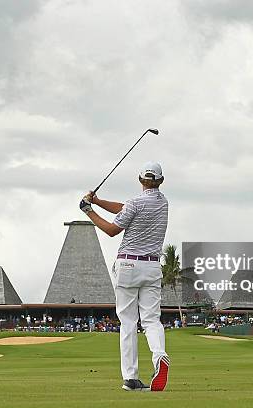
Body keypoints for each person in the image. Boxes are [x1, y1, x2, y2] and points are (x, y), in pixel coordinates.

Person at [80, 161, 170, 392]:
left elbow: (112, 230)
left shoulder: (134, 203)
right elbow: (125, 208)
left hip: (128, 266)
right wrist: (99, 201)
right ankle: (159, 355)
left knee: (128, 322)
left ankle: (131, 378)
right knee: (151, 319)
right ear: (160, 181)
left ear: (140, 180)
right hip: (152, 267)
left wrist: (89, 210)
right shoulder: (163, 203)